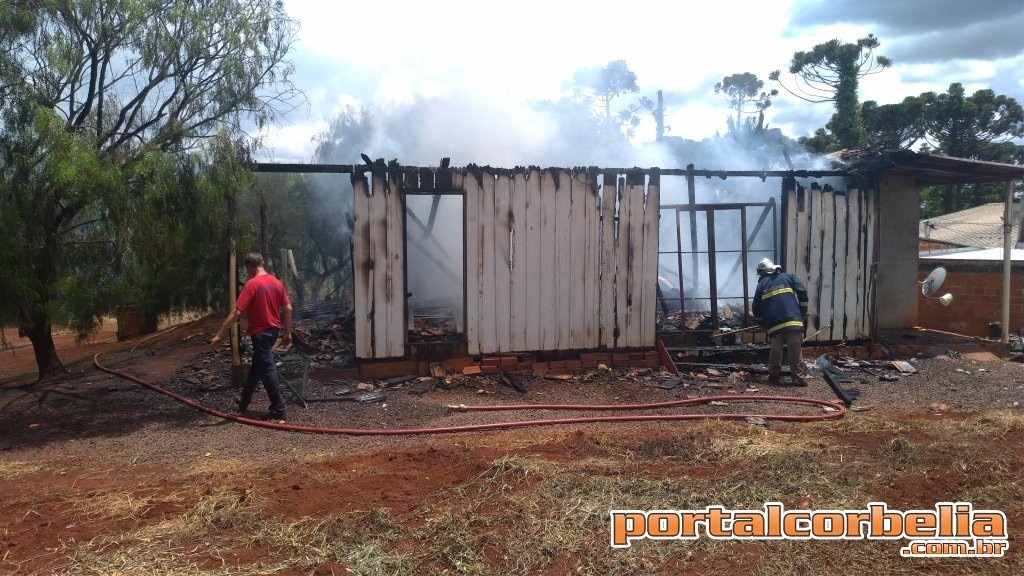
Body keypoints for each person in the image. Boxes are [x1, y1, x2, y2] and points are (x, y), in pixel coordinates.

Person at [210, 252, 293, 420]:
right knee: (257, 365)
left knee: (268, 368)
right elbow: (288, 308)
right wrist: (288, 333)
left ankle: (278, 408)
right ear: (262, 263)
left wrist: (220, 334)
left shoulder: (251, 284)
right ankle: (244, 399)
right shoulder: (276, 282)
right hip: (273, 332)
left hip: (260, 334)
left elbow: (237, 312)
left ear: (249, 267)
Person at [751, 257, 809, 386]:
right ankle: (798, 378)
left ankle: (774, 375)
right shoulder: (788, 277)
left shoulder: (761, 284)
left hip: (774, 324)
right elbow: (803, 291)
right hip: (793, 321)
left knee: (776, 350)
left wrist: (761, 321)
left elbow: (755, 306)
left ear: (762, 272)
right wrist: (802, 311)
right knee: (795, 349)